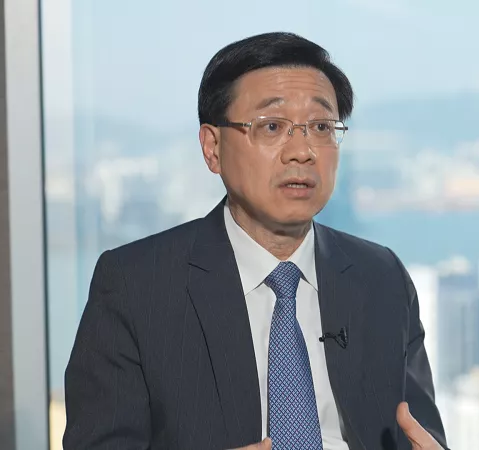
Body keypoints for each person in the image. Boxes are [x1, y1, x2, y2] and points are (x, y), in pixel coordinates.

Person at [62, 32, 448, 450]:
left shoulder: (382, 278)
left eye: (321, 127)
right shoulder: (137, 286)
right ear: (213, 148)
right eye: (272, 126)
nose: (301, 151)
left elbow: (424, 435)